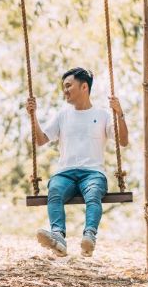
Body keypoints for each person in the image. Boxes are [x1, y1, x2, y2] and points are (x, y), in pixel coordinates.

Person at [26, 67, 129, 257]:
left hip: (93, 172)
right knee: (55, 191)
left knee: (93, 195)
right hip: (65, 172)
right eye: (63, 87)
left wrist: (120, 114)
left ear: (84, 87)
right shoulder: (62, 115)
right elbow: (41, 140)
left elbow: (123, 141)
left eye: (68, 86)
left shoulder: (103, 115)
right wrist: (32, 115)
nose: (64, 91)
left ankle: (89, 236)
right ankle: (58, 236)